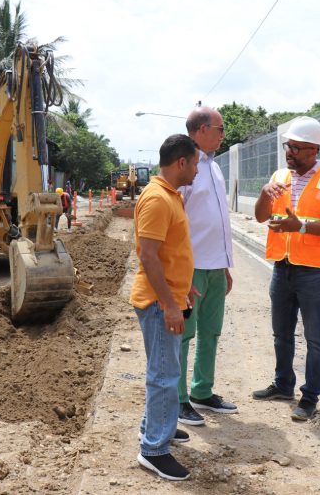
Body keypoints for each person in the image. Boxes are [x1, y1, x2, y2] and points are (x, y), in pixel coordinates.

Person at [251, 116, 320, 421]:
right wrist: (264, 195)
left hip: (316, 272)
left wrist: (302, 226)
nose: (289, 152)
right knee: (281, 333)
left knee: (314, 337)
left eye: (296, 147)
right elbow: (259, 217)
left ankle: (309, 397)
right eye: (288, 146)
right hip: (283, 268)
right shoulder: (280, 176)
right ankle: (283, 385)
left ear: (313, 149)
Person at [130, 134, 199, 481]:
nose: (198, 170)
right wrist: (171, 305)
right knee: (164, 375)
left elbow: (172, 251)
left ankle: (157, 427)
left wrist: (187, 286)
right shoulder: (157, 198)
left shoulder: (171, 196)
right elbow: (149, 256)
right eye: (196, 163)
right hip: (159, 304)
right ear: (181, 162)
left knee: (164, 371)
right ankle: (154, 450)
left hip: (170, 297)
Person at [176, 107, 236, 427]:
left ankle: (201, 391)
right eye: (220, 128)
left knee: (210, 332)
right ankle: (178, 399)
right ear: (201, 130)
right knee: (183, 335)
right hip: (191, 268)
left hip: (215, 267)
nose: (223, 134)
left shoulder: (213, 167)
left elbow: (218, 221)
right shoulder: (183, 166)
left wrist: (226, 266)